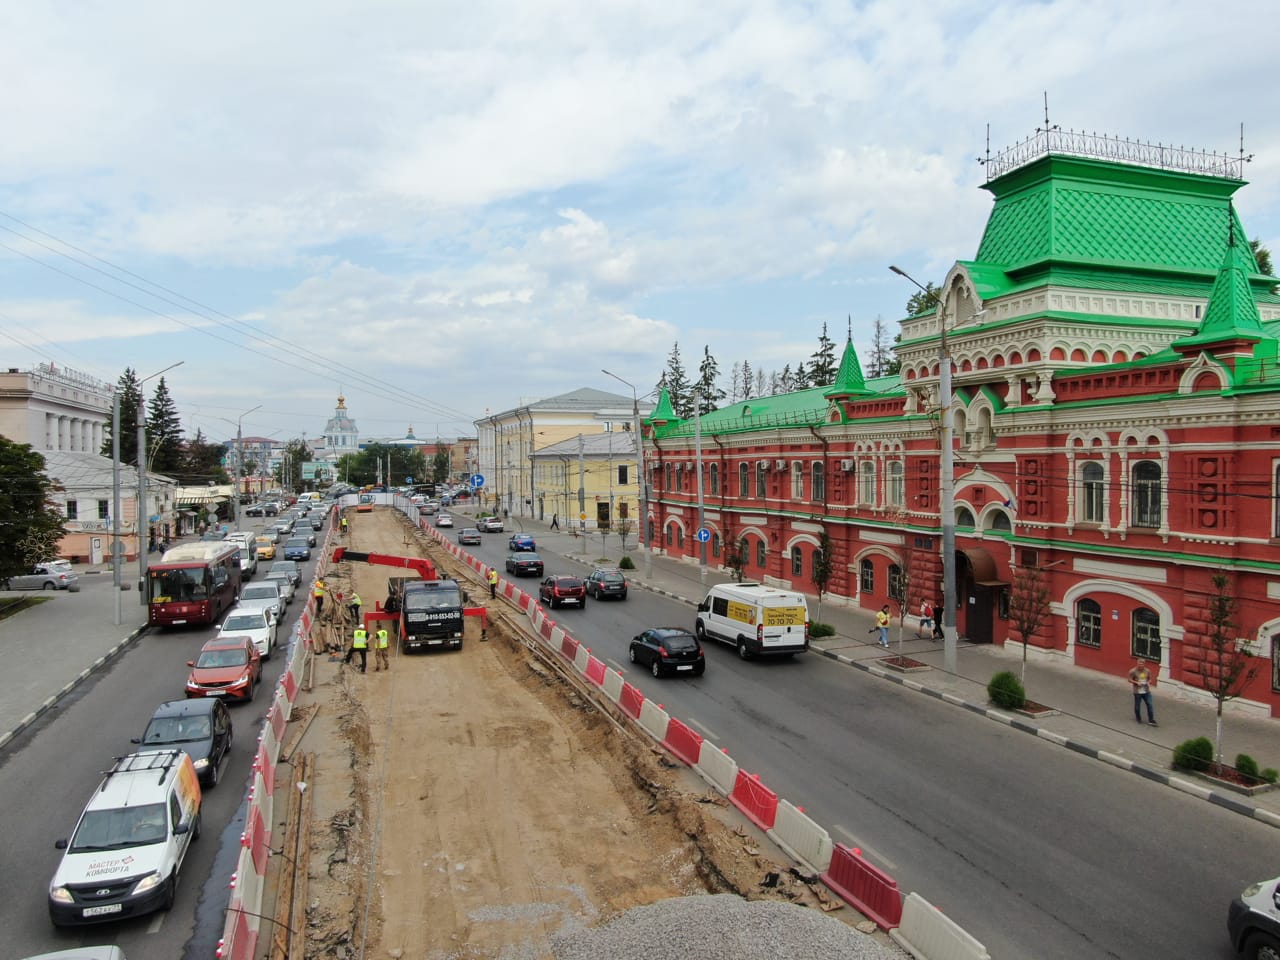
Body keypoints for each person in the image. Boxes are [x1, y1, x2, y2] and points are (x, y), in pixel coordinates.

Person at [1128, 659, 1157, 726]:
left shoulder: (1147, 671)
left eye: (1142, 664)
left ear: (1144, 664)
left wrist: (1149, 682)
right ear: (1137, 664)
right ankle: (1138, 718)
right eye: (1139, 664)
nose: (1140, 665)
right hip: (1137, 691)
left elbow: (1150, 679)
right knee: (1137, 706)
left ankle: (1151, 720)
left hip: (1146, 691)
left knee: (1150, 705)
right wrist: (1136, 682)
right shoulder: (1133, 671)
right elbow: (1129, 679)